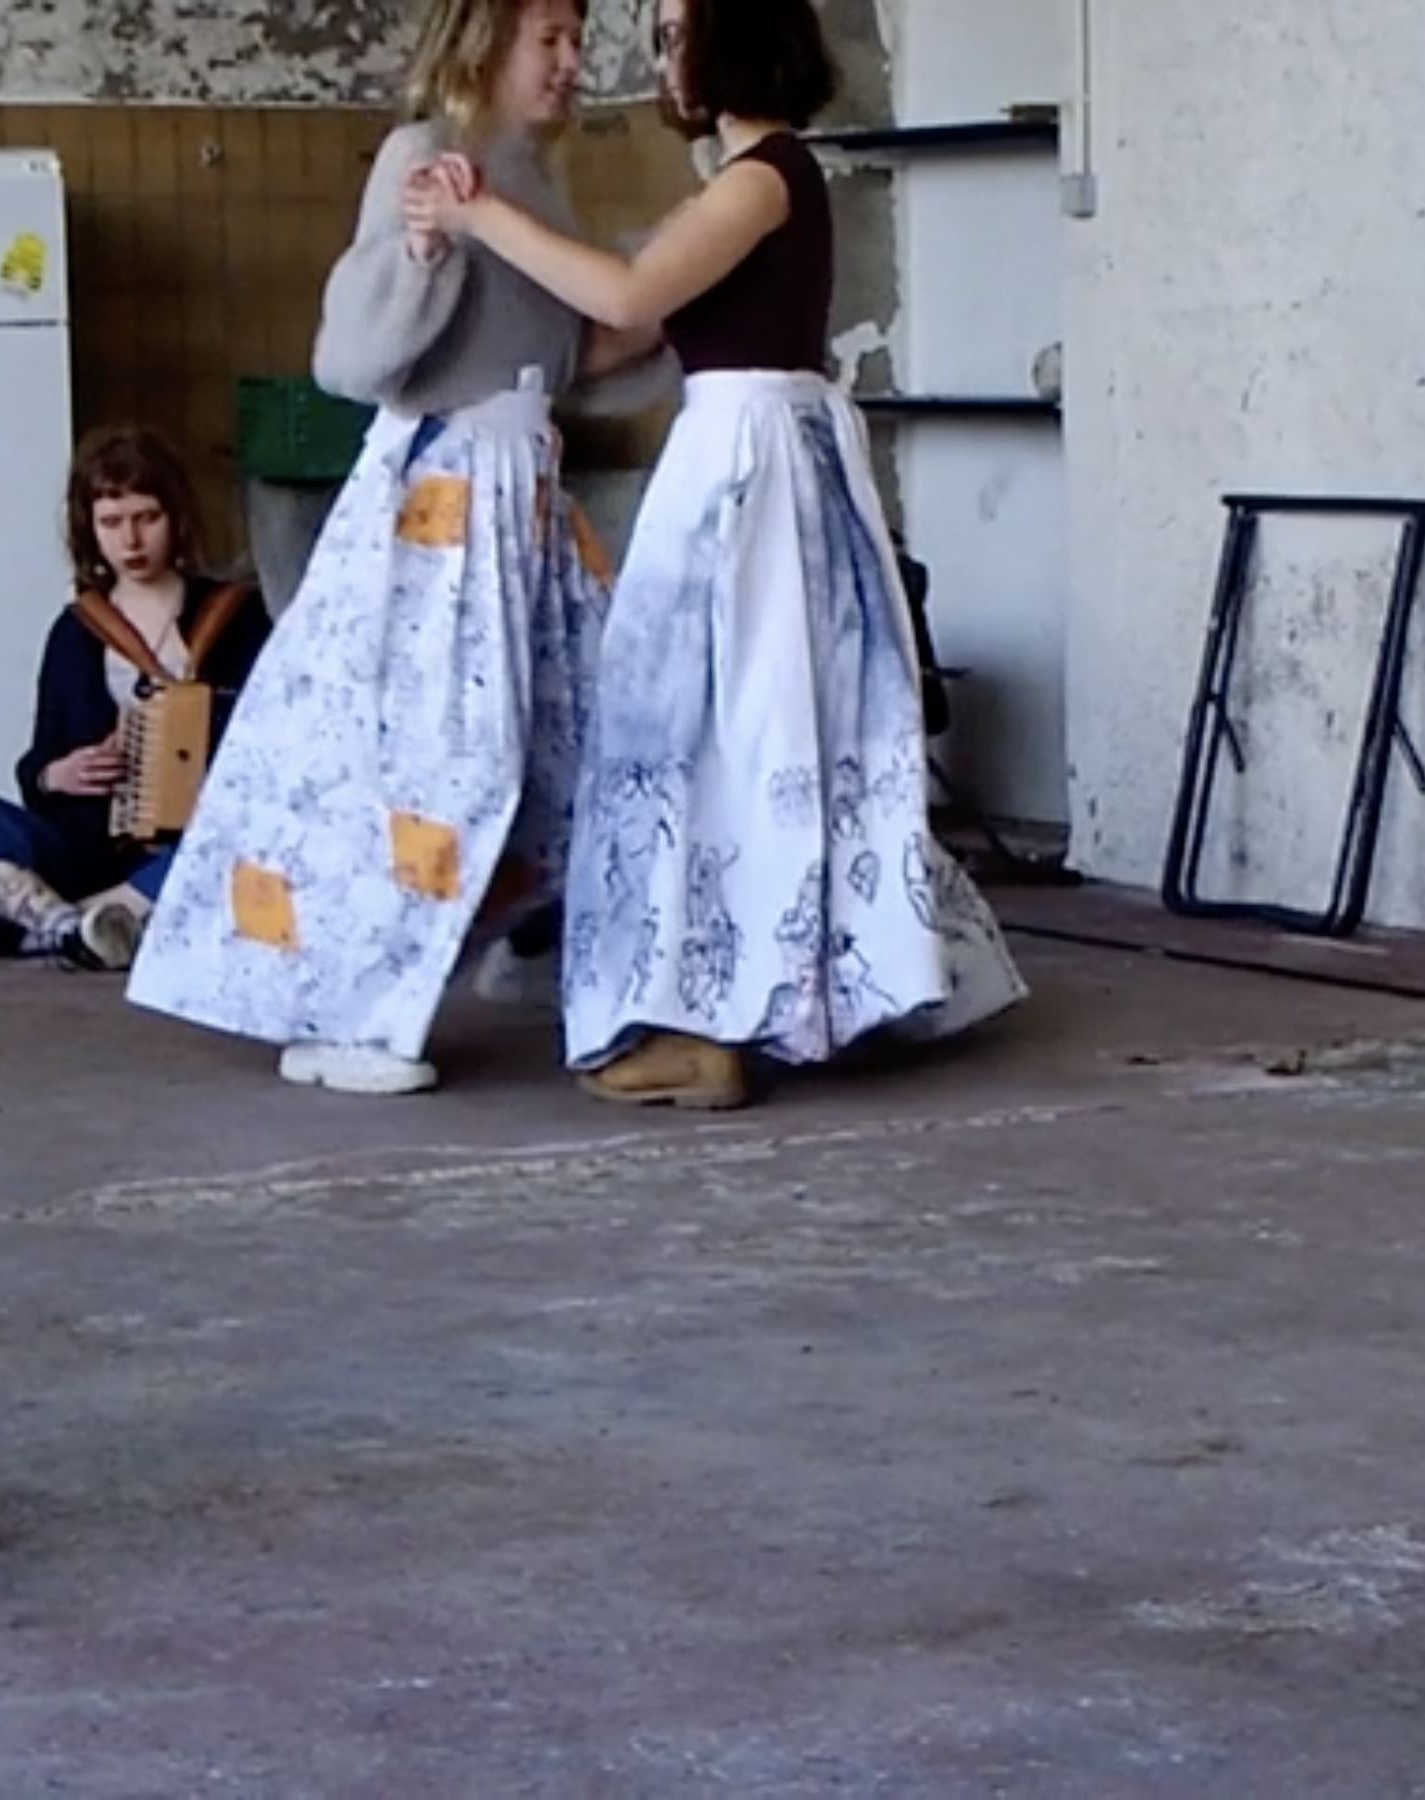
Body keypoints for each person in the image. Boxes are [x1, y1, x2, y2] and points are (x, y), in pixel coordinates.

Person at [403, 0, 1028, 1109]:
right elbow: (610, 337)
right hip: (741, 459)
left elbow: (627, 296)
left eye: (674, 31)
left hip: (750, 472)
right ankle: (730, 1004)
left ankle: (730, 1018)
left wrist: (480, 211)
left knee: (724, 738)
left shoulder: (763, 179)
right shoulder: (740, 185)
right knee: (719, 740)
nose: (661, 58)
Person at [125, 0, 672, 1096]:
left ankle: (522, 943)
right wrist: (420, 251)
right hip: (442, 509)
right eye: (552, 39)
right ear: (489, 41)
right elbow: (352, 359)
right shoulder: (428, 154)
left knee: (571, 741)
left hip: (516, 500)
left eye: (577, 39)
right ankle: (357, 1018)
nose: (574, 62)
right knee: (443, 764)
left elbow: (558, 353)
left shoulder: (529, 176)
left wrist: (674, 298)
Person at [0, 424, 269, 970]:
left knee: (240, 844)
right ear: (90, 529)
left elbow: (274, 744)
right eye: (112, 523)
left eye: (147, 518)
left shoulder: (238, 618)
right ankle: (77, 928)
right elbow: (37, 767)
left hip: (192, 843)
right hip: (87, 846)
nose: (131, 541)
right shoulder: (76, 631)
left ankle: (40, 926)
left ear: (177, 517)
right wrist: (57, 775)